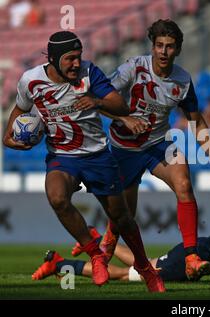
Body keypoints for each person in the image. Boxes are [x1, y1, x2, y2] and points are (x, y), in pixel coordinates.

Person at [2, 31, 165, 292]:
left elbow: (121, 106)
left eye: (78, 57)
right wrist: (8, 138)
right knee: (57, 197)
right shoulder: (30, 81)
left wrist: (97, 100)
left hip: (97, 156)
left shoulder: (90, 74)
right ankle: (96, 254)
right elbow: (20, 109)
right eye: (69, 59)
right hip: (62, 157)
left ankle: (145, 267)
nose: (76, 63)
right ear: (53, 60)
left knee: (122, 218)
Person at [81, 19, 210, 281]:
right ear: (152, 47)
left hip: (157, 144)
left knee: (184, 183)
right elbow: (100, 100)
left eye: (170, 46)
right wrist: (124, 119)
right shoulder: (133, 68)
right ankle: (107, 242)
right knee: (124, 216)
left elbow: (196, 122)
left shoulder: (183, 80)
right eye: (159, 46)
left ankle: (191, 258)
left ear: (178, 49)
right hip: (123, 149)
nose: (164, 52)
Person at [32, 191, 210, 284]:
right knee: (126, 275)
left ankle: (89, 242)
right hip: (192, 258)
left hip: (196, 262)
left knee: (137, 266)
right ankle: (61, 264)